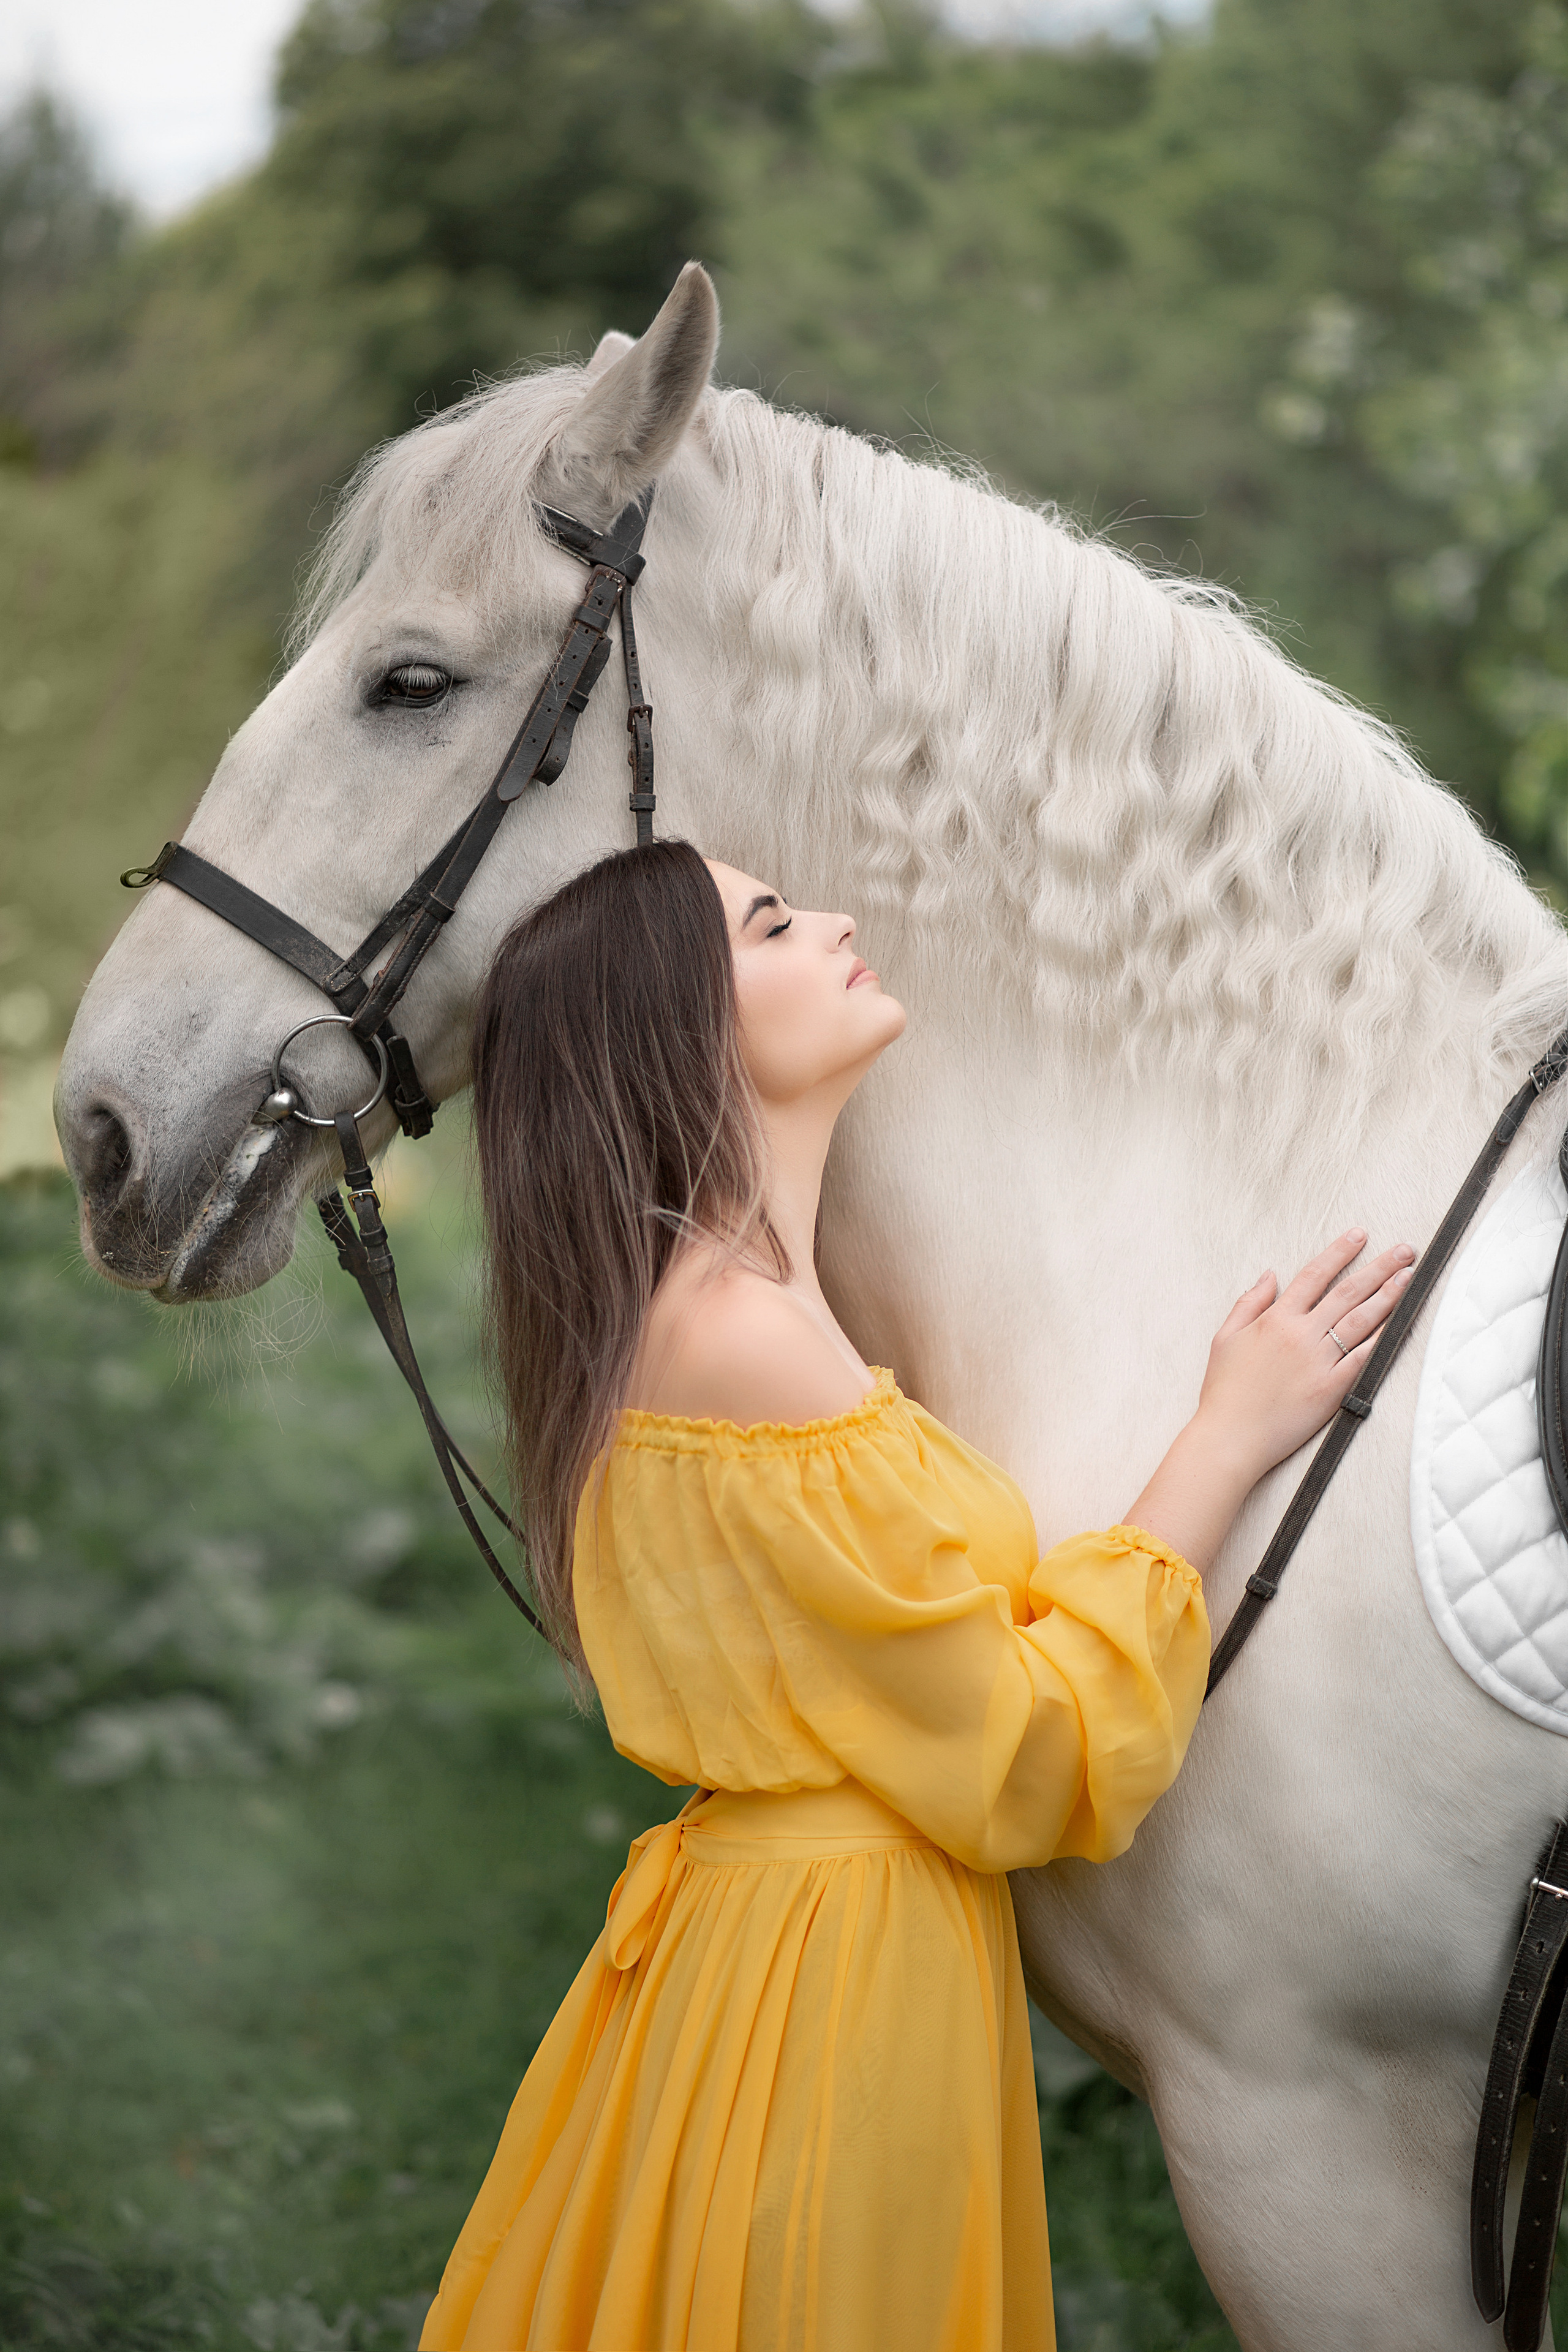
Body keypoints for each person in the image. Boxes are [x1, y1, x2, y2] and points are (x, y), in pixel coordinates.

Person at [418, 839, 1412, 2352]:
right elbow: (1020, 1756)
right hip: (833, 1985)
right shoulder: (743, 1338)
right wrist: (1226, 1432)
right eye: (767, 922)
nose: (832, 923)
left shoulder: (734, 1313)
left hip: (784, 1951)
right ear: (671, 1022)